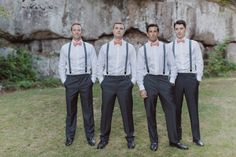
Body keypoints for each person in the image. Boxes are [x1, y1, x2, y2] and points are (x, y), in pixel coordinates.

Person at [136, 24, 188, 151]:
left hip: (164, 80)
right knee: (150, 112)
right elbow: (139, 70)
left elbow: (173, 66)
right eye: (150, 31)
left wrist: (171, 82)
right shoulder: (142, 50)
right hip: (149, 80)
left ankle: (174, 141)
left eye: (155, 31)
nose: (153, 33)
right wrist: (142, 87)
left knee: (171, 110)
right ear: (147, 34)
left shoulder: (166, 47)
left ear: (158, 33)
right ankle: (154, 141)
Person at [96, 22, 136, 149]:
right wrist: (102, 81)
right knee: (106, 111)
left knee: (127, 111)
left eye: (121, 28)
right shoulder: (105, 47)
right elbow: (99, 66)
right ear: (113, 30)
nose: (119, 30)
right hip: (108, 82)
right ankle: (104, 138)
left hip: (124, 82)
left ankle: (130, 138)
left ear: (124, 31)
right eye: (116, 28)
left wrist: (132, 82)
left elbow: (134, 66)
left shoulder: (130, 48)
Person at [58, 23, 97, 146]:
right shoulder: (65, 48)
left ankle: (90, 136)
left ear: (81, 32)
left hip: (86, 79)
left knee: (88, 110)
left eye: (78, 30)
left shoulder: (89, 47)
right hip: (71, 80)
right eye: (74, 30)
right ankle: (69, 136)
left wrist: (92, 79)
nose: (76, 32)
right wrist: (64, 81)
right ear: (71, 32)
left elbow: (95, 64)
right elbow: (61, 65)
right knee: (71, 110)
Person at [171, 20, 204, 146]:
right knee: (176, 109)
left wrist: (198, 79)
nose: (179, 31)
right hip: (177, 78)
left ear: (185, 29)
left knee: (193, 108)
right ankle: (177, 137)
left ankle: (196, 138)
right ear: (174, 30)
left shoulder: (193, 44)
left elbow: (199, 61)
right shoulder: (170, 46)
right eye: (177, 29)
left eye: (181, 28)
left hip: (191, 78)